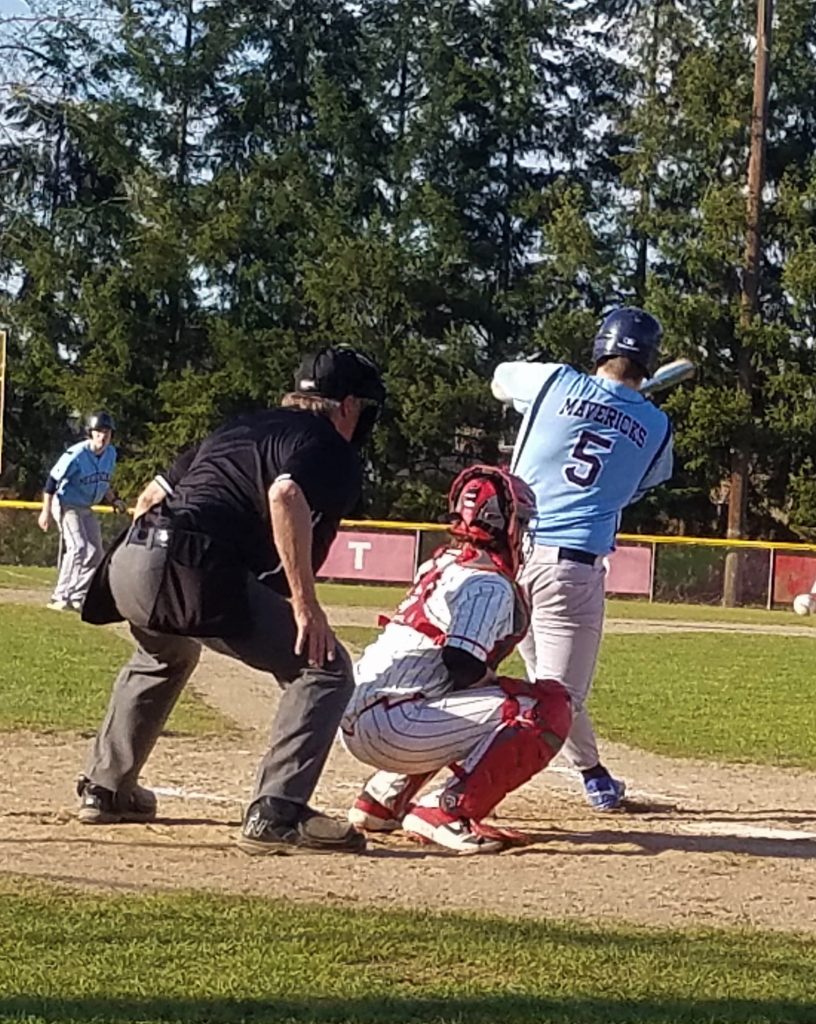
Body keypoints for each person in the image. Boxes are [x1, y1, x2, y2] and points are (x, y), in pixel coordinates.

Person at [77, 346, 386, 855]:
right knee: (324, 668)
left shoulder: (239, 426)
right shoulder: (330, 445)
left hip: (130, 557)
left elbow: (150, 499)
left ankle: (104, 788)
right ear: (348, 405)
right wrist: (306, 607)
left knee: (165, 650)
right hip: (190, 564)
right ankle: (278, 812)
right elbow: (286, 495)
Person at [491, 307, 674, 811]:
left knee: (542, 686)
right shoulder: (656, 425)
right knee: (557, 702)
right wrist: (627, 414)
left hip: (503, 559)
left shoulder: (552, 381)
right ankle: (462, 786)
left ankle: (593, 773)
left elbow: (500, 381)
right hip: (568, 572)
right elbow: (643, 482)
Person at [341, 465, 572, 854]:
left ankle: (382, 799)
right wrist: (508, 694)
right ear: (503, 523)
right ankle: (448, 811)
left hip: (361, 714)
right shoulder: (488, 582)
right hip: (395, 722)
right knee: (546, 707)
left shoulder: (443, 562)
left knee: (452, 698)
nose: (525, 532)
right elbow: (460, 665)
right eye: (523, 522)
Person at [38, 411, 127, 612]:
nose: (102, 436)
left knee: (96, 553)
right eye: (98, 432)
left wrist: (115, 500)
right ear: (90, 433)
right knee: (78, 547)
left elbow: (103, 481)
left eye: (107, 432)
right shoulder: (77, 454)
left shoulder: (110, 453)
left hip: (85, 507)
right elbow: (52, 481)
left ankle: (78, 596)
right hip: (66, 504)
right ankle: (59, 596)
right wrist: (45, 512)